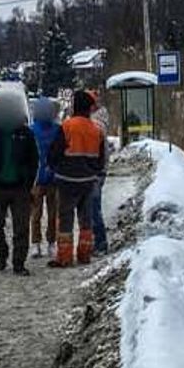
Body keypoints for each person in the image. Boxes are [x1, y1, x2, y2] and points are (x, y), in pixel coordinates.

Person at [0, 88, 38, 275]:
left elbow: (34, 159)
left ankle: (18, 263)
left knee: (21, 227)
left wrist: (28, 182)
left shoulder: (25, 132)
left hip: (20, 187)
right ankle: (2, 252)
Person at [47, 89, 106, 267]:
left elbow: (54, 154)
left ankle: (64, 257)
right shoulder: (97, 130)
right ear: (89, 108)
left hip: (66, 180)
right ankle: (84, 254)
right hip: (88, 181)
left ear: (74, 106)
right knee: (86, 219)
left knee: (65, 219)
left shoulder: (66, 126)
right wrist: (91, 171)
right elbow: (100, 160)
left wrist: (57, 169)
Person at [29, 96, 61, 259]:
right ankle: (36, 243)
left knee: (51, 213)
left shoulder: (56, 130)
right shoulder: (32, 130)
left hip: (52, 179)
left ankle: (50, 242)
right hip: (37, 179)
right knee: (37, 213)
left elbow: (61, 152)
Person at [89, 105, 112, 256]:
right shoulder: (101, 126)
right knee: (93, 208)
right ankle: (98, 242)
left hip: (95, 174)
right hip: (99, 172)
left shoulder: (96, 128)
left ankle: (100, 243)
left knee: (93, 208)